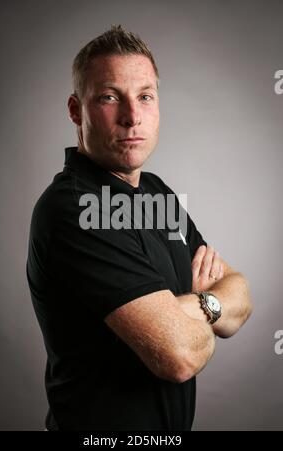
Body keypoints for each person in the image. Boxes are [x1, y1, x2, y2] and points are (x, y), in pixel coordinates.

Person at [26, 25, 253, 431]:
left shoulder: (155, 193)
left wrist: (195, 309)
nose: (132, 117)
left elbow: (240, 295)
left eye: (145, 96)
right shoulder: (75, 209)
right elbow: (179, 355)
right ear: (77, 110)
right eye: (110, 97)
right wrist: (204, 306)